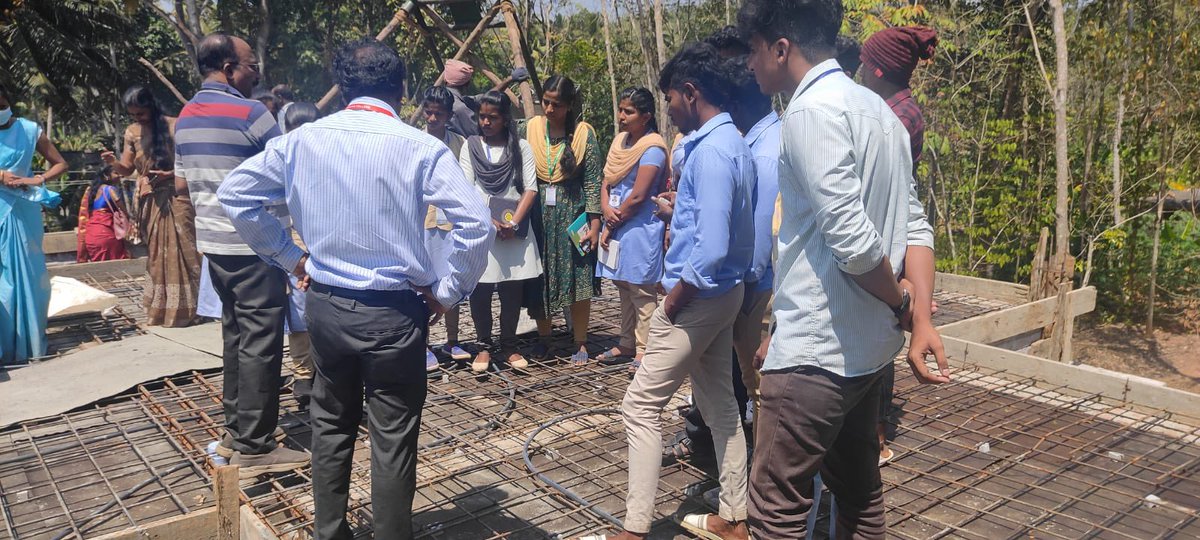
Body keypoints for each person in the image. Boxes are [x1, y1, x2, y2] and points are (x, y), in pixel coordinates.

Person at [219, 38, 492, 540]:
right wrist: (448, 292)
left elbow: (235, 194)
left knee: (331, 424)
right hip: (394, 314)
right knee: (392, 436)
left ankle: (330, 532)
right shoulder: (420, 146)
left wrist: (288, 256)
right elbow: (477, 225)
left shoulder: (302, 141)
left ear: (343, 89)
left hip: (325, 306)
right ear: (401, 88)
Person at [737, 0, 948, 536]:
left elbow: (853, 244)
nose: (749, 63)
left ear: (781, 49)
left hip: (816, 355)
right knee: (858, 495)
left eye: (754, 50)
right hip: (868, 352)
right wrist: (920, 319)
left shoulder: (809, 114)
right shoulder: (882, 113)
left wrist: (904, 303)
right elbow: (916, 227)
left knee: (775, 507)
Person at [596, 42, 757, 540]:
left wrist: (673, 300)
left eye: (670, 98)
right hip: (723, 294)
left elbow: (708, 250)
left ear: (691, 93)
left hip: (698, 297)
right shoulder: (737, 143)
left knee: (639, 407)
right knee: (720, 406)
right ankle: (734, 515)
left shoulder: (710, 153)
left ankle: (634, 529)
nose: (667, 108)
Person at [176, 33, 307, 475]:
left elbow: (181, 184)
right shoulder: (251, 113)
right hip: (254, 245)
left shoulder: (186, 116)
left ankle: (236, 431)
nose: (256, 74)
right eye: (251, 66)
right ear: (229, 67)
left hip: (214, 246)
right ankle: (256, 447)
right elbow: (285, 174)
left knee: (236, 338)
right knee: (262, 344)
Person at [860, 25, 939, 466]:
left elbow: (900, 203)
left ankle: (875, 439)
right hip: (889, 248)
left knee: (879, 347)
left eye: (862, 63)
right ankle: (873, 437)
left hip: (881, 251)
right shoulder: (895, 108)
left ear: (876, 69)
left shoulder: (893, 119)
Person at [102, 85, 201, 328]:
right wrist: (113, 162)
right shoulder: (132, 132)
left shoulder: (176, 125)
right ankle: (163, 310)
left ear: (152, 107)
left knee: (188, 251)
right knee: (158, 255)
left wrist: (169, 174)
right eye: (133, 115)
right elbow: (127, 169)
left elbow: (194, 162)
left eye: (141, 114)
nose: (138, 119)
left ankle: (197, 308)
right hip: (153, 201)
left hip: (179, 197)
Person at [460, 91, 542, 373]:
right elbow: (466, 188)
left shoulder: (521, 147)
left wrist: (514, 223)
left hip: (513, 228)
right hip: (483, 230)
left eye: (492, 117)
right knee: (480, 288)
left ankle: (509, 344)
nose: (485, 122)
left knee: (511, 287)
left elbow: (530, 187)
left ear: (505, 119)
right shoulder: (470, 147)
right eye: (482, 117)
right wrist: (491, 222)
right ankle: (483, 346)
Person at [525, 75, 602, 364]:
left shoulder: (583, 134)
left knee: (579, 276)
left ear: (569, 106)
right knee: (539, 276)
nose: (548, 109)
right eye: (545, 102)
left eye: (556, 105)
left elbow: (594, 180)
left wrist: (595, 225)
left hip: (574, 217)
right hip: (538, 217)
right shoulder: (531, 129)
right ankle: (544, 338)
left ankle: (580, 340)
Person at [594, 87, 668, 370]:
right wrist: (605, 210)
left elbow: (638, 196)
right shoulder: (620, 143)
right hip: (618, 224)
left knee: (642, 291)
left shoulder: (652, 149)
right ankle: (626, 342)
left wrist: (613, 220)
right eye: (621, 110)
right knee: (623, 286)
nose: (621, 116)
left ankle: (644, 350)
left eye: (629, 111)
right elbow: (607, 180)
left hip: (639, 227)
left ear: (646, 116)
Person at [0, 82, 67, 365]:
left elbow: (59, 163)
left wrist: (35, 179)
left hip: (24, 209)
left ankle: (30, 342)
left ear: (6, 99)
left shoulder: (29, 130)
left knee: (29, 274)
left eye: (0, 105)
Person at [420, 86, 472, 368]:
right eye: (428, 112)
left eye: (437, 114)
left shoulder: (459, 144)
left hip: (451, 221)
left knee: (451, 278)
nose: (431, 118)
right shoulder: (414, 140)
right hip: (424, 222)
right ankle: (424, 344)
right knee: (425, 282)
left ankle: (452, 340)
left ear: (448, 116)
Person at [279, 102, 321, 409]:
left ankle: (324, 375)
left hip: (325, 248)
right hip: (295, 252)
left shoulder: (328, 161)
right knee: (299, 318)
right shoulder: (279, 163)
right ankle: (303, 376)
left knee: (326, 317)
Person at [860, 26, 937, 165]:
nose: (862, 74)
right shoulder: (890, 109)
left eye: (866, 66)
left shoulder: (898, 120)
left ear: (879, 73)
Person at [441, 59, 530, 137]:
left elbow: (485, 97)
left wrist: (510, 79)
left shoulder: (450, 99)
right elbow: (480, 132)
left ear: (445, 80)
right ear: (467, 84)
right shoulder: (459, 108)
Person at [76, 166, 131, 262]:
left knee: (99, 270)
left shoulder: (91, 191)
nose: (120, 176)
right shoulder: (110, 189)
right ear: (106, 176)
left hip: (91, 237)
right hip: (107, 236)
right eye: (116, 173)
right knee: (117, 269)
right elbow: (124, 212)